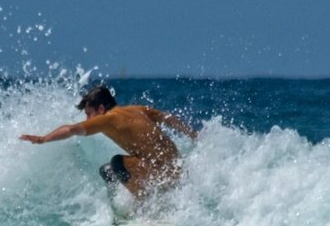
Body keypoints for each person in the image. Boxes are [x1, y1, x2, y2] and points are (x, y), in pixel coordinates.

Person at [20, 84, 197, 201]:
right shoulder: (137, 109)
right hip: (175, 168)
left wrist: (43, 139)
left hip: (162, 172)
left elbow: (71, 129)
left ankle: (144, 206)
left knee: (117, 164)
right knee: (107, 171)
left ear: (101, 109)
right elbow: (167, 117)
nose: (88, 119)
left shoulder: (107, 119)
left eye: (89, 113)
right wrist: (193, 134)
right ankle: (121, 210)